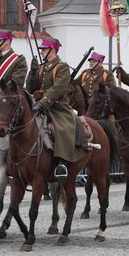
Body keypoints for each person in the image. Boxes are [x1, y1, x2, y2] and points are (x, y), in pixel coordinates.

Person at [26, 38, 89, 166]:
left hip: (57, 108)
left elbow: (57, 89)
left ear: (52, 51)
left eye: (44, 49)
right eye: (42, 50)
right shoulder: (41, 67)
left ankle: (62, 162)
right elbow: (30, 89)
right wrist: (32, 73)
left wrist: (42, 104)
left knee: (62, 128)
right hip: (38, 104)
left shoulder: (62, 67)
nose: (42, 52)